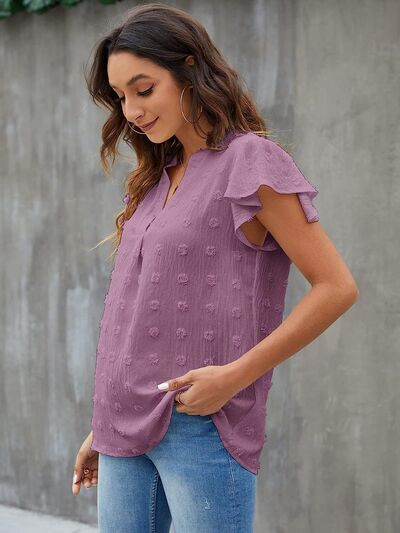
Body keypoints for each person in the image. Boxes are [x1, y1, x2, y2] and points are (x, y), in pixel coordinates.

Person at [71, 3, 359, 532]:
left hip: (200, 420)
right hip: (120, 424)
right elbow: (140, 311)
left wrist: (233, 377)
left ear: (189, 69)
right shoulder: (157, 176)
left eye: (144, 89)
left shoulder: (250, 161)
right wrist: (104, 423)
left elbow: (336, 287)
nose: (131, 110)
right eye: (120, 96)